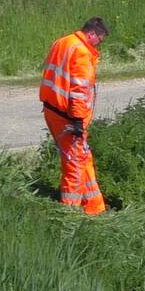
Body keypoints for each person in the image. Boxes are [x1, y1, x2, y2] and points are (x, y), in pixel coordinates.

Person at [39, 17, 109, 215]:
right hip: (68, 117)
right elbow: (79, 89)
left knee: (82, 157)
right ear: (92, 34)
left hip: (52, 110)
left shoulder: (63, 42)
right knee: (75, 165)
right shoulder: (81, 51)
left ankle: (95, 208)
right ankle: (70, 214)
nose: (99, 44)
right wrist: (78, 120)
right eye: (100, 39)